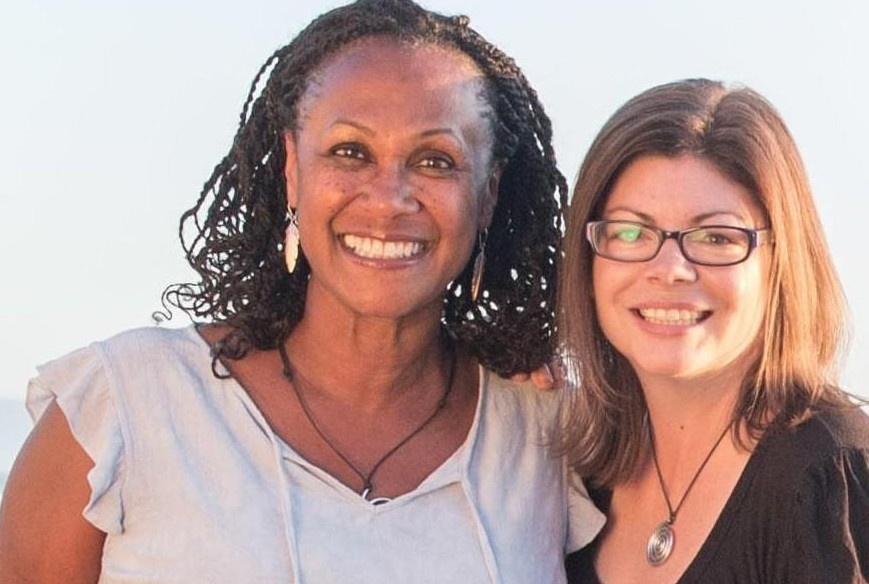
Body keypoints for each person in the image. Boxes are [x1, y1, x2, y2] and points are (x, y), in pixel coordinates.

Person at [0, 1, 605, 582]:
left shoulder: (551, 439)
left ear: (489, 192)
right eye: (350, 152)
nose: (388, 200)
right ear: (293, 169)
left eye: (435, 161)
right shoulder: (128, 408)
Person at [558, 78, 869, 583]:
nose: (669, 269)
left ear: (781, 263)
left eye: (717, 237)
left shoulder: (825, 475)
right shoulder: (576, 477)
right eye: (631, 232)